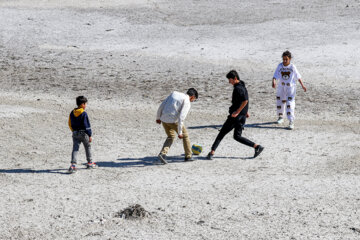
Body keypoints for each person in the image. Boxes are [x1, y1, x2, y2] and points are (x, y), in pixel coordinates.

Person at [207, 70, 264, 160]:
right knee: (237, 136)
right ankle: (257, 147)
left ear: (235, 78)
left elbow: (245, 100)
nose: (229, 81)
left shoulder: (238, 88)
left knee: (221, 133)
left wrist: (237, 111)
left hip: (235, 116)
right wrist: (245, 112)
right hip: (242, 116)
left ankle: (211, 153)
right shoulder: (242, 85)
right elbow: (243, 100)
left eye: (230, 79)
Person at [156, 88, 198, 164]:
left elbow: (162, 105)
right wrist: (180, 132)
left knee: (170, 136)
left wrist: (158, 118)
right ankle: (188, 156)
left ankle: (163, 153)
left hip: (164, 119)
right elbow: (181, 118)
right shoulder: (187, 101)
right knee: (185, 136)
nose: (192, 101)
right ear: (192, 97)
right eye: (194, 100)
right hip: (173, 121)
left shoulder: (174, 93)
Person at [272, 50, 307, 129]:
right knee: (280, 101)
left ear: (290, 59)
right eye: (283, 59)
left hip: (290, 87)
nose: (284, 61)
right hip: (281, 86)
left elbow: (298, 76)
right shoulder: (280, 66)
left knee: (290, 103)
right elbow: (275, 75)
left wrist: (303, 85)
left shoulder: (292, 67)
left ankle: (291, 121)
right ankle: (280, 117)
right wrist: (273, 81)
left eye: (286, 59)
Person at [68, 96, 96, 173]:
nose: (86, 105)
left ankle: (73, 165)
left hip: (75, 133)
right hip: (84, 133)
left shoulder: (72, 112)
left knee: (75, 149)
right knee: (87, 147)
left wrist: (73, 131)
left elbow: (69, 123)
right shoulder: (84, 113)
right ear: (82, 104)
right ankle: (89, 162)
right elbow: (87, 125)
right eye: (85, 104)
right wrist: (90, 135)